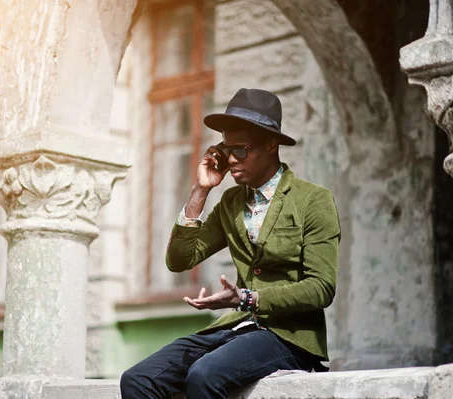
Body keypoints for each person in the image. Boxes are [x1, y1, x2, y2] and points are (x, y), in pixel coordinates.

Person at [120, 88, 341, 399]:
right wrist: (200, 191)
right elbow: (179, 261)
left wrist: (249, 299)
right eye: (225, 149)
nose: (231, 159)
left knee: (204, 375)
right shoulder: (231, 202)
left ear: (271, 144)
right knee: (137, 379)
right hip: (234, 329)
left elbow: (321, 288)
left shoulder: (312, 200)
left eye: (241, 149)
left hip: (287, 337)